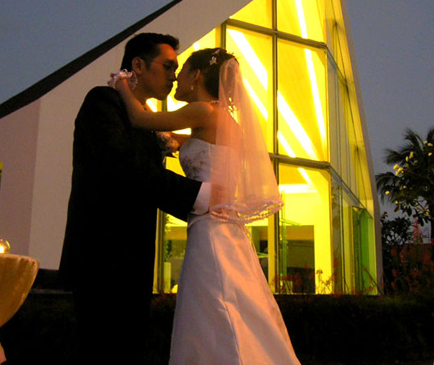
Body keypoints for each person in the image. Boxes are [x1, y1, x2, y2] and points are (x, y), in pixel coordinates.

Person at [113, 47, 301, 364]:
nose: (177, 78)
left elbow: (140, 119)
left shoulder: (202, 110)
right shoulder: (224, 121)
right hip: (227, 229)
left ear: (197, 76)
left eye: (182, 70)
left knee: (213, 308)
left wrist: (121, 84)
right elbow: (190, 144)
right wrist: (171, 140)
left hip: (209, 229)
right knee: (236, 308)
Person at [59, 33, 211, 365]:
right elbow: (124, 166)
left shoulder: (146, 118)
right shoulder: (102, 102)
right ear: (138, 66)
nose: (174, 76)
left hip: (135, 262)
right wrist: (198, 196)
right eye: (168, 66)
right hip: (100, 259)